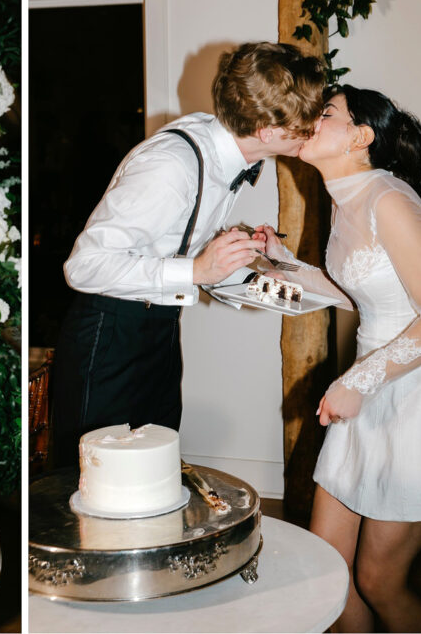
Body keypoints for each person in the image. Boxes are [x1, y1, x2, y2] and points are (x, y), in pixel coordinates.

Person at [260, 85, 421, 632]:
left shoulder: (388, 199)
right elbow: (359, 291)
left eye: (326, 113)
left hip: (417, 395)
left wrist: (359, 381)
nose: (311, 118)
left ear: (360, 136)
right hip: (369, 388)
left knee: (379, 581)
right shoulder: (345, 196)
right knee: (327, 574)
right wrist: (282, 263)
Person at [50, 41, 327, 466]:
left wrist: (249, 260)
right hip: (108, 340)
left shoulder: (224, 154)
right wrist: (196, 269)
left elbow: (177, 244)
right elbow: (84, 266)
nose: (314, 129)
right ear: (266, 132)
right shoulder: (172, 165)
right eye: (305, 123)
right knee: (92, 481)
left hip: (158, 331)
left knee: (154, 471)